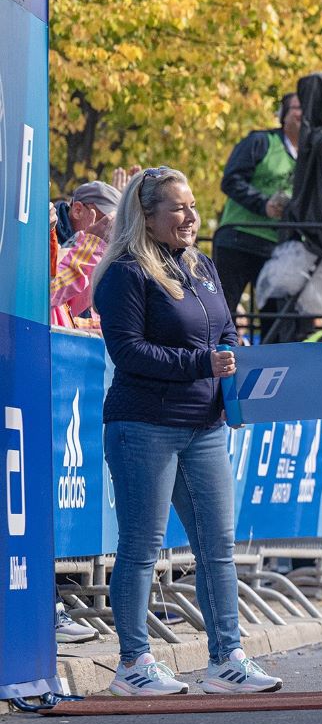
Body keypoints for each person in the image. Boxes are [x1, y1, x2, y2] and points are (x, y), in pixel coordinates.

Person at [91, 166, 283, 694]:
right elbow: (127, 351)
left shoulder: (202, 266)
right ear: (147, 216)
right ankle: (132, 664)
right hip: (143, 425)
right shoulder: (125, 273)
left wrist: (232, 355)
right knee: (141, 548)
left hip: (206, 425)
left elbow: (224, 330)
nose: (191, 216)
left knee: (217, 547)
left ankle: (227, 658)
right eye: (178, 207)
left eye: (193, 205)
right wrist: (203, 364)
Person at [214, 93, 301, 315]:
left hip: (278, 247)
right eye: (298, 108)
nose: (305, 114)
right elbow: (231, 180)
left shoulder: (311, 158)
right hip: (238, 238)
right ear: (283, 115)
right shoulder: (261, 142)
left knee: (275, 317)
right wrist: (263, 205)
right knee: (224, 312)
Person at [50, 179, 125, 330]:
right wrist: (91, 248)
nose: (110, 231)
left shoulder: (95, 251)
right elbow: (46, 295)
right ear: (77, 210)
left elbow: (67, 310)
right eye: (106, 220)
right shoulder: (56, 245)